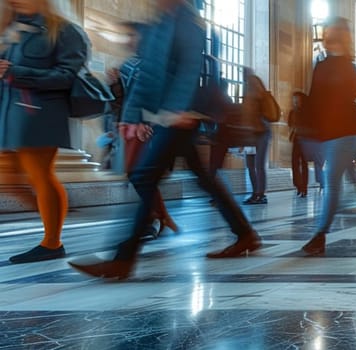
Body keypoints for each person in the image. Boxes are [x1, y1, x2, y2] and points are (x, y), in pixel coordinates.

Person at [70, 0, 263, 278]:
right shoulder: (160, 22)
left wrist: (177, 109)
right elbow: (149, 71)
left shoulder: (187, 20)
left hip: (180, 115)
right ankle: (245, 233)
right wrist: (131, 115)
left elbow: (189, 67)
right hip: (167, 114)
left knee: (145, 177)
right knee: (202, 179)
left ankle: (123, 259)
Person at [1, 0, 86, 264]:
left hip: (39, 113)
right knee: (9, 178)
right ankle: (56, 209)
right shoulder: (11, 28)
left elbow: (68, 76)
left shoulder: (63, 30)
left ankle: (52, 242)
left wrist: (17, 72)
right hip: (9, 113)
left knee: (40, 174)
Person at [294, 17, 356, 256]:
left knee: (330, 180)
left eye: (329, 30)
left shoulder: (348, 66)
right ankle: (342, 204)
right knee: (331, 181)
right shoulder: (321, 64)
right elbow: (315, 97)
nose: (325, 33)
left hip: (346, 132)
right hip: (327, 133)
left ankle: (320, 235)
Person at [107, 21, 179, 240]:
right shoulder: (129, 65)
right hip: (129, 126)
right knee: (137, 175)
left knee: (140, 175)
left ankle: (156, 218)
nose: (129, 40)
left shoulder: (157, 63)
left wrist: (150, 124)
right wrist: (115, 85)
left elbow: (161, 97)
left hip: (146, 127)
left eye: (133, 35)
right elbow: (125, 100)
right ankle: (160, 217)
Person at [208, 68, 279, 205]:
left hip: (260, 132)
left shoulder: (253, 88)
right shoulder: (250, 90)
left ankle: (260, 194)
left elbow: (250, 113)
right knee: (252, 165)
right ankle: (256, 193)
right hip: (253, 133)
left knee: (257, 165)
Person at [287, 91, 316, 198]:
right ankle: (298, 185)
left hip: (305, 140)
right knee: (294, 163)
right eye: (294, 99)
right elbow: (290, 125)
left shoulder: (307, 112)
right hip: (296, 140)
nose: (295, 101)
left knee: (304, 164)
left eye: (297, 99)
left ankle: (304, 188)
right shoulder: (292, 112)